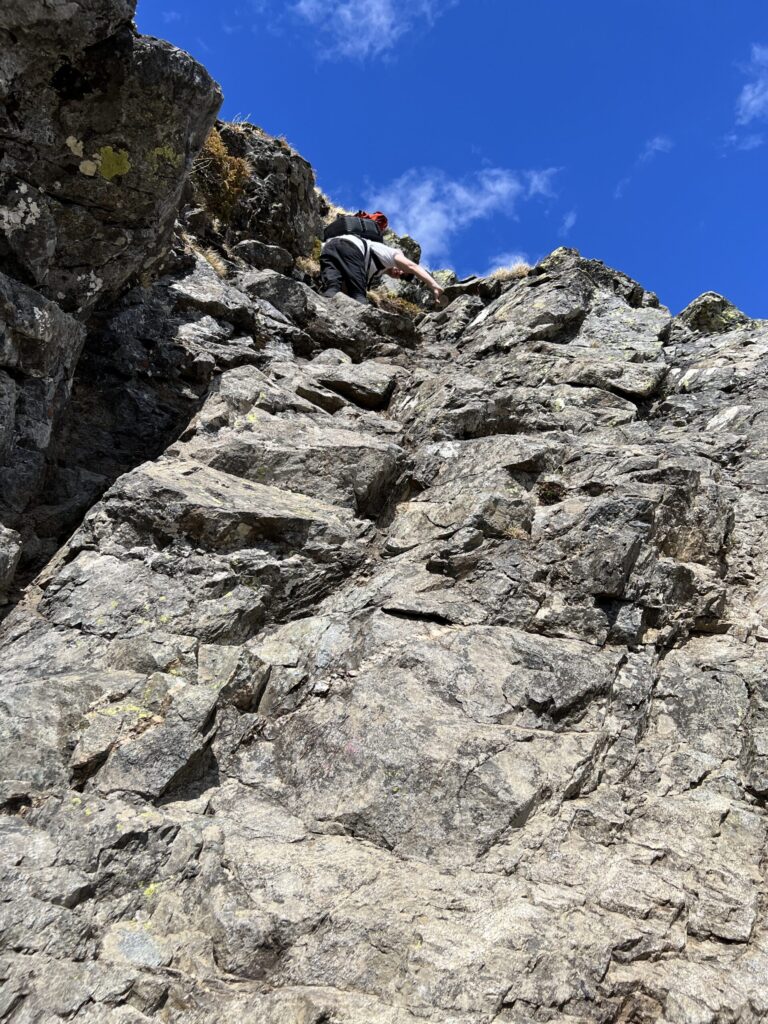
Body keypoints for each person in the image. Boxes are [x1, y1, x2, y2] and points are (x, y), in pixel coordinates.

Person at [320, 212, 445, 306]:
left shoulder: (373, 273)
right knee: (359, 296)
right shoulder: (389, 253)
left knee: (332, 289)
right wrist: (433, 285)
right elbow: (413, 267)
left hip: (328, 248)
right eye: (403, 271)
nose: (400, 273)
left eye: (402, 277)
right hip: (350, 247)